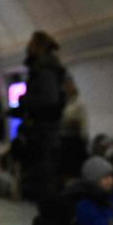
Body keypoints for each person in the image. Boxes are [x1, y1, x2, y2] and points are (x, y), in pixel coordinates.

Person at [17, 31, 67, 201]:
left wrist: (25, 101)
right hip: (46, 132)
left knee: (45, 180)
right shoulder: (46, 68)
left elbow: (48, 99)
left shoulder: (44, 69)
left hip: (44, 133)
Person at [58, 78, 88, 181]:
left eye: (69, 87)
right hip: (65, 139)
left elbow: (78, 123)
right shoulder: (66, 104)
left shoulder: (79, 104)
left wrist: (66, 121)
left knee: (74, 170)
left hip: (74, 141)